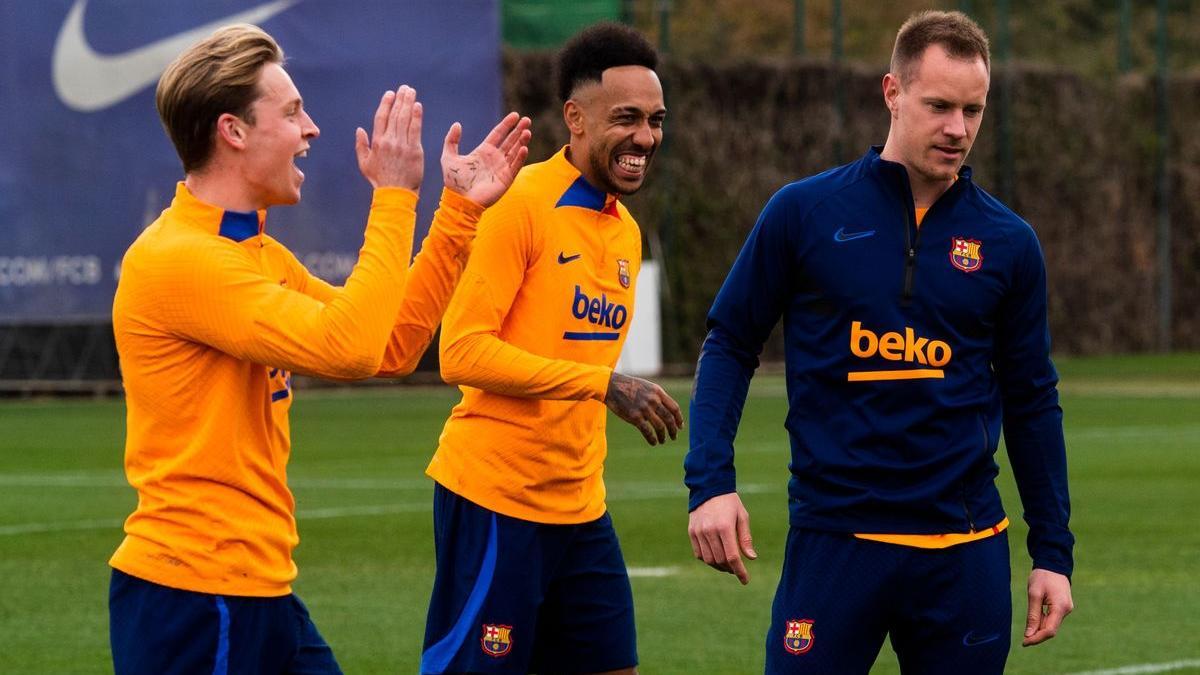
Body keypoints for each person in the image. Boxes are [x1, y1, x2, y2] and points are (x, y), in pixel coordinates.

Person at [108, 23, 531, 675]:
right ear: (234, 131)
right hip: (195, 599)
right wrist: (393, 197)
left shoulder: (250, 253)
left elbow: (388, 345)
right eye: (292, 112)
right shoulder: (181, 259)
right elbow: (351, 349)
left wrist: (457, 216)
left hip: (255, 589)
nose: (312, 130)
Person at [684, 10, 1074, 674]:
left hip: (966, 549)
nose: (958, 128)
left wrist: (1053, 554)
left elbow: (1033, 400)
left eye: (973, 109)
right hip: (836, 542)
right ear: (892, 93)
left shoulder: (1010, 244)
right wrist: (709, 483)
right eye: (939, 105)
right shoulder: (803, 213)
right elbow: (730, 343)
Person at [420, 22, 681, 675]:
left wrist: (597, 383)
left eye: (655, 119)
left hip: (580, 507)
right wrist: (601, 383)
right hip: (496, 502)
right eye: (626, 117)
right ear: (576, 118)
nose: (645, 137)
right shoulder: (520, 205)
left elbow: (564, 358)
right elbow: (462, 352)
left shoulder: (622, 232)